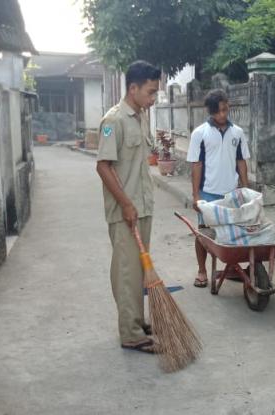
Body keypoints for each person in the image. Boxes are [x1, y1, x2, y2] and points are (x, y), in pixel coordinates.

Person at [95, 61, 160, 353]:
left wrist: (138, 205)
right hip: (126, 212)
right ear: (133, 88)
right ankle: (131, 333)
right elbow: (103, 167)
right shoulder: (114, 121)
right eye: (150, 92)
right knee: (126, 271)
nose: (153, 98)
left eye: (155, 92)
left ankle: (135, 320)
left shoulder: (140, 117)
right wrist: (125, 203)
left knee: (137, 269)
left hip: (142, 208)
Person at [186, 89, 251, 287]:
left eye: (226, 109)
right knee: (204, 233)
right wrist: (196, 195)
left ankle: (231, 266)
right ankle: (202, 270)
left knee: (232, 232)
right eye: (220, 111)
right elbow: (196, 165)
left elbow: (241, 162)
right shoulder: (200, 134)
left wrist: (245, 190)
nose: (224, 114)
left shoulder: (237, 133)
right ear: (211, 111)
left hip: (230, 192)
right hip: (207, 193)